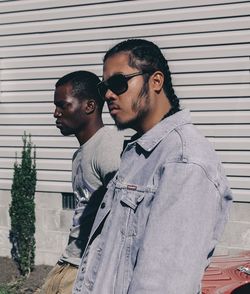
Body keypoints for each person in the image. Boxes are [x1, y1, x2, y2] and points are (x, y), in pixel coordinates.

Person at [73, 39, 233, 294]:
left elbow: (162, 285)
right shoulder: (140, 154)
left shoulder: (183, 161)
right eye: (104, 87)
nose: (108, 95)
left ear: (155, 81)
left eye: (118, 83)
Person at [38, 71, 123, 294]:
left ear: (89, 106)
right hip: (69, 262)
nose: (56, 113)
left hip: (88, 271)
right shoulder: (81, 154)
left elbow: (126, 211)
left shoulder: (108, 144)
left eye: (63, 106)